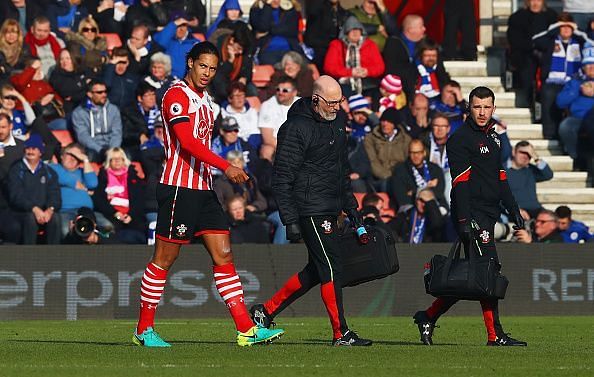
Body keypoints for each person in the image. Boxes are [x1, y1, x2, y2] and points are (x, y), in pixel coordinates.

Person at [131, 41, 284, 347]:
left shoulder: (207, 101)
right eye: (203, 65)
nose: (207, 72)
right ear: (190, 63)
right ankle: (143, 330)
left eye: (213, 68)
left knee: (224, 254)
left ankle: (246, 329)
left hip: (203, 189)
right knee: (165, 258)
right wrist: (226, 166)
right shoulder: (176, 95)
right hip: (179, 188)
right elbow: (187, 143)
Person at [249, 75, 372, 347]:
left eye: (339, 101)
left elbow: (342, 172)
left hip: (332, 206)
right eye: (331, 102)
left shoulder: (337, 124)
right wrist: (290, 220)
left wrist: (352, 210)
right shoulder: (294, 128)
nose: (337, 107)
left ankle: (265, 311)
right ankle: (340, 333)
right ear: (315, 100)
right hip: (309, 208)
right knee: (330, 267)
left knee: (317, 269)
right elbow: (282, 177)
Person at [413, 86, 527, 347]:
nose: (482, 112)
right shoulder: (460, 140)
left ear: (494, 109)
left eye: (487, 107)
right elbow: (460, 183)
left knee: (476, 276)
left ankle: (428, 316)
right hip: (472, 214)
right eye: (477, 106)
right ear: (469, 108)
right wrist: (464, 221)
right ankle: (494, 335)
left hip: (489, 213)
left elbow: (500, 177)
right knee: (487, 272)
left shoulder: (495, 139)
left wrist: (513, 208)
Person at [533, 13, 589, 140]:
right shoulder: (550, 41)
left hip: (574, 82)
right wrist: (553, 28)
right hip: (553, 81)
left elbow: (591, 43)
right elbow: (535, 39)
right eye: (562, 26)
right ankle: (550, 133)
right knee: (548, 95)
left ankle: (568, 135)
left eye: (568, 27)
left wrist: (579, 31)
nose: (565, 29)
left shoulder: (579, 42)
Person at [7, 133, 61, 244]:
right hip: (21, 212)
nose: (30, 151)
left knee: (55, 218)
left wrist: (50, 209)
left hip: (43, 211)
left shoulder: (49, 172)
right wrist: (34, 208)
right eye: (28, 148)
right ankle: (29, 255)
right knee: (30, 219)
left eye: (34, 149)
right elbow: (16, 196)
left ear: (40, 152)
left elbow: (55, 194)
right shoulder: (16, 169)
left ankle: (54, 256)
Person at [507, 0, 558, 107]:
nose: (535, 3)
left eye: (538, 0)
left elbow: (555, 37)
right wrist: (532, 45)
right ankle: (528, 101)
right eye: (532, 0)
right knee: (527, 68)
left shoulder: (551, 16)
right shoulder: (518, 17)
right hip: (525, 52)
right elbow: (514, 40)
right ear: (527, 2)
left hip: (546, 52)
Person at [93, 147, 147, 244]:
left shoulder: (133, 176)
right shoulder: (103, 176)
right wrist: (115, 213)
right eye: (113, 159)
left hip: (131, 215)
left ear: (124, 160)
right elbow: (98, 199)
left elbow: (140, 199)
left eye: (120, 158)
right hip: (111, 214)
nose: (117, 161)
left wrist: (131, 215)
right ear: (109, 161)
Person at [323, 16, 385, 99]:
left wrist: (367, 71)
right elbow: (329, 67)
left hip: (367, 82)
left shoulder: (370, 45)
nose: (355, 32)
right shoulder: (336, 45)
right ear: (346, 32)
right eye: (351, 29)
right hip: (344, 82)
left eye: (358, 29)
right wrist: (351, 72)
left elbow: (380, 67)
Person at [556, 44, 594, 161]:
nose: (592, 68)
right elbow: (560, 102)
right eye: (588, 66)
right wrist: (578, 89)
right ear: (583, 68)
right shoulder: (575, 81)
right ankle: (575, 157)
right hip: (578, 118)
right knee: (565, 126)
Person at [389, 139, 448, 214]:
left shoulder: (435, 169)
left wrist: (413, 192)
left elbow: (439, 193)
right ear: (409, 153)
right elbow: (401, 197)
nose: (416, 156)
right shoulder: (400, 170)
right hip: (411, 209)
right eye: (412, 153)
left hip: (435, 208)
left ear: (424, 153)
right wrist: (426, 189)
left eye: (419, 152)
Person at [71, 79, 123, 162]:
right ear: (90, 94)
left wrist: (113, 150)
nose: (104, 95)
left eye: (105, 92)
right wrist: (100, 150)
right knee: (91, 157)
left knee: (126, 155)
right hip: (92, 148)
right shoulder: (79, 113)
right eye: (100, 92)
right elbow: (83, 136)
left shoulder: (114, 109)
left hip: (111, 147)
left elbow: (117, 133)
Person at [364, 107, 412, 192]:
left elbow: (407, 161)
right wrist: (387, 176)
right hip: (378, 178)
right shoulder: (370, 138)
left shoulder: (406, 140)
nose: (385, 124)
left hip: (399, 177)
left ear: (395, 124)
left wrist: (398, 177)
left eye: (389, 121)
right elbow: (373, 161)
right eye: (383, 121)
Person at [505, 141, 553, 219]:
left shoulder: (530, 169)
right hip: (512, 210)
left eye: (529, 154)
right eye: (522, 152)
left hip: (535, 209)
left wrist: (535, 157)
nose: (525, 156)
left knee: (551, 221)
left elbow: (548, 175)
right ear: (514, 152)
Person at [383, 14, 426, 100]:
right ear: (410, 30)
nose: (424, 29)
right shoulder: (393, 44)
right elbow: (392, 69)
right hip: (400, 91)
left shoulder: (424, 44)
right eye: (421, 27)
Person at [303, 0, 351, 73]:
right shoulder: (316, 8)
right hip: (317, 53)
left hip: (336, 54)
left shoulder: (344, 13)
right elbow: (312, 11)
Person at [249, 0, 301, 65]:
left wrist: (269, 31)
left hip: (289, 49)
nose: (276, 1)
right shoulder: (257, 10)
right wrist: (267, 7)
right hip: (267, 50)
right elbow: (262, 27)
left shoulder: (290, 10)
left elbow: (291, 30)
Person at [153, 12, 202, 79]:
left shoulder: (195, 43)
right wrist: (173, 25)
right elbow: (159, 43)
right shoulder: (167, 40)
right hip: (167, 80)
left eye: (183, 25)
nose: (181, 29)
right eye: (178, 26)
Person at [258, 75, 299, 152]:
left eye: (285, 90)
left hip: (300, 145)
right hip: (278, 146)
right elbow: (268, 139)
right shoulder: (267, 106)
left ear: (294, 92)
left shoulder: (302, 105)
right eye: (278, 89)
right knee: (266, 150)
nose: (280, 93)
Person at [0, 113, 23, 243]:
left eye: (3, 127)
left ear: (11, 126)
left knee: (14, 229)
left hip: (16, 201)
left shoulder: (22, 147)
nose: (0, 131)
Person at [219, 81, 261, 149]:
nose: (240, 98)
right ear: (230, 99)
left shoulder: (252, 112)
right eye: (236, 96)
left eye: (242, 95)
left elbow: (257, 133)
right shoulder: (222, 114)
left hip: (253, 146)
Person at [49, 49, 88, 115]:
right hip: (70, 109)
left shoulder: (82, 71)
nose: (64, 61)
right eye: (62, 59)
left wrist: (74, 96)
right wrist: (85, 88)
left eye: (68, 58)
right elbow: (66, 92)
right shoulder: (56, 75)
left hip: (85, 105)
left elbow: (92, 88)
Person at [0, 18, 32, 84]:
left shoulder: (24, 48)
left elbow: (26, 63)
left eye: (14, 32)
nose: (11, 35)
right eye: (8, 32)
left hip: (21, 80)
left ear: (18, 34)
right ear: (3, 34)